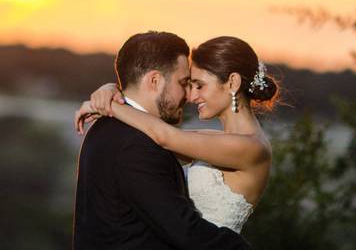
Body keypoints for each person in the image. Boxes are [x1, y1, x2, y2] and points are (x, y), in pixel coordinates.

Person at [75, 36, 278, 234]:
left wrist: (109, 105)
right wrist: (112, 89)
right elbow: (152, 140)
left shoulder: (252, 147)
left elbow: (164, 137)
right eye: (189, 85)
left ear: (232, 82)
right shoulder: (213, 139)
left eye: (200, 86)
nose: (191, 96)